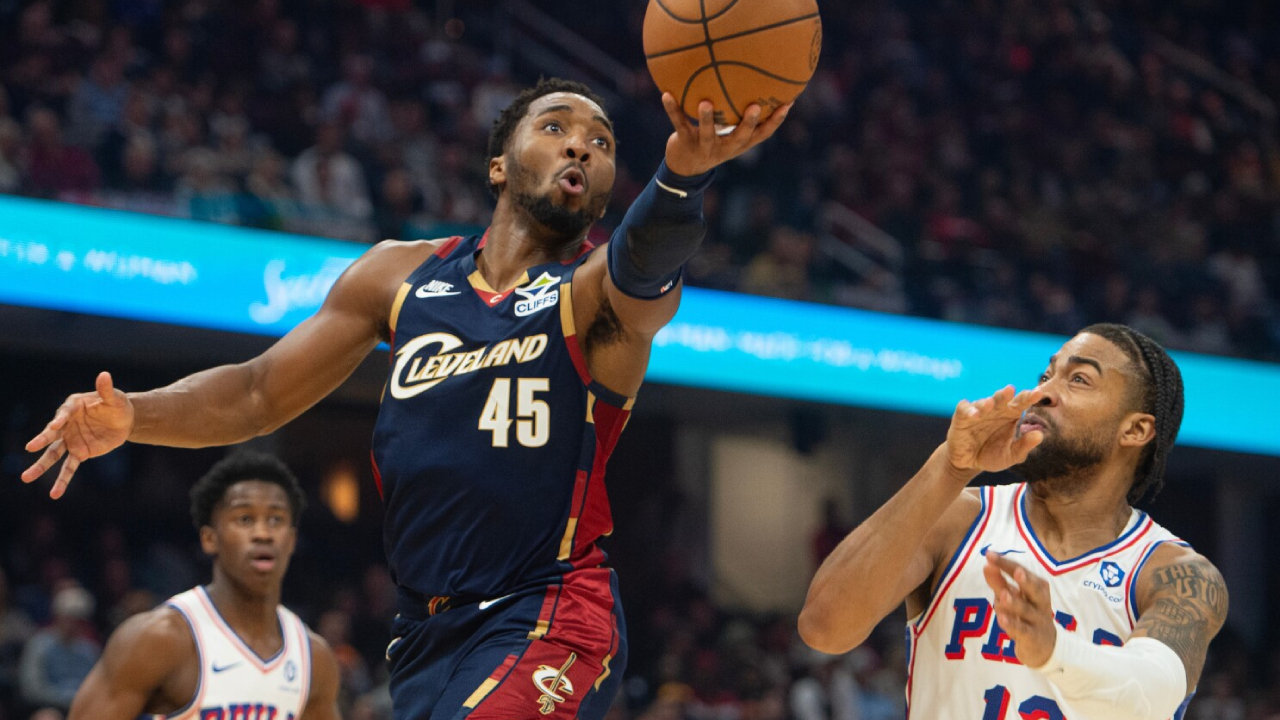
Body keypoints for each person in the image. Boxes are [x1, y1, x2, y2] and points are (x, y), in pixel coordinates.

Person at [22, 77, 790, 719]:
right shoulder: (401, 277)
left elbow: (647, 265)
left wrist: (681, 174)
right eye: (555, 127)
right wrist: (135, 414)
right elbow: (258, 391)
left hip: (551, 609)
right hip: (425, 636)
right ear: (499, 165)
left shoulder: (593, 296)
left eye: (600, 142)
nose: (581, 145)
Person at [798, 324, 1227, 719]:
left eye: (1078, 379)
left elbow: (1153, 691)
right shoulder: (959, 519)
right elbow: (823, 629)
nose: (1042, 392)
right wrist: (949, 468)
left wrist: (1053, 649)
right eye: (1046, 376)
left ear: (1135, 430)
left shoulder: (1173, 572)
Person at [64, 453, 340, 720]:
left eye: (275, 520)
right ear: (209, 539)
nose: (263, 534)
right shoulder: (159, 638)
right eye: (245, 519)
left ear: (291, 541)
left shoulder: (314, 658)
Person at [17, 586, 98, 713]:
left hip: (84, 709)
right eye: (69, 617)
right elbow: (32, 689)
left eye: (78, 619)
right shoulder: (39, 645)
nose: (73, 624)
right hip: (49, 707)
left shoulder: (89, 650)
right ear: (58, 616)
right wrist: (66, 699)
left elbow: (97, 686)